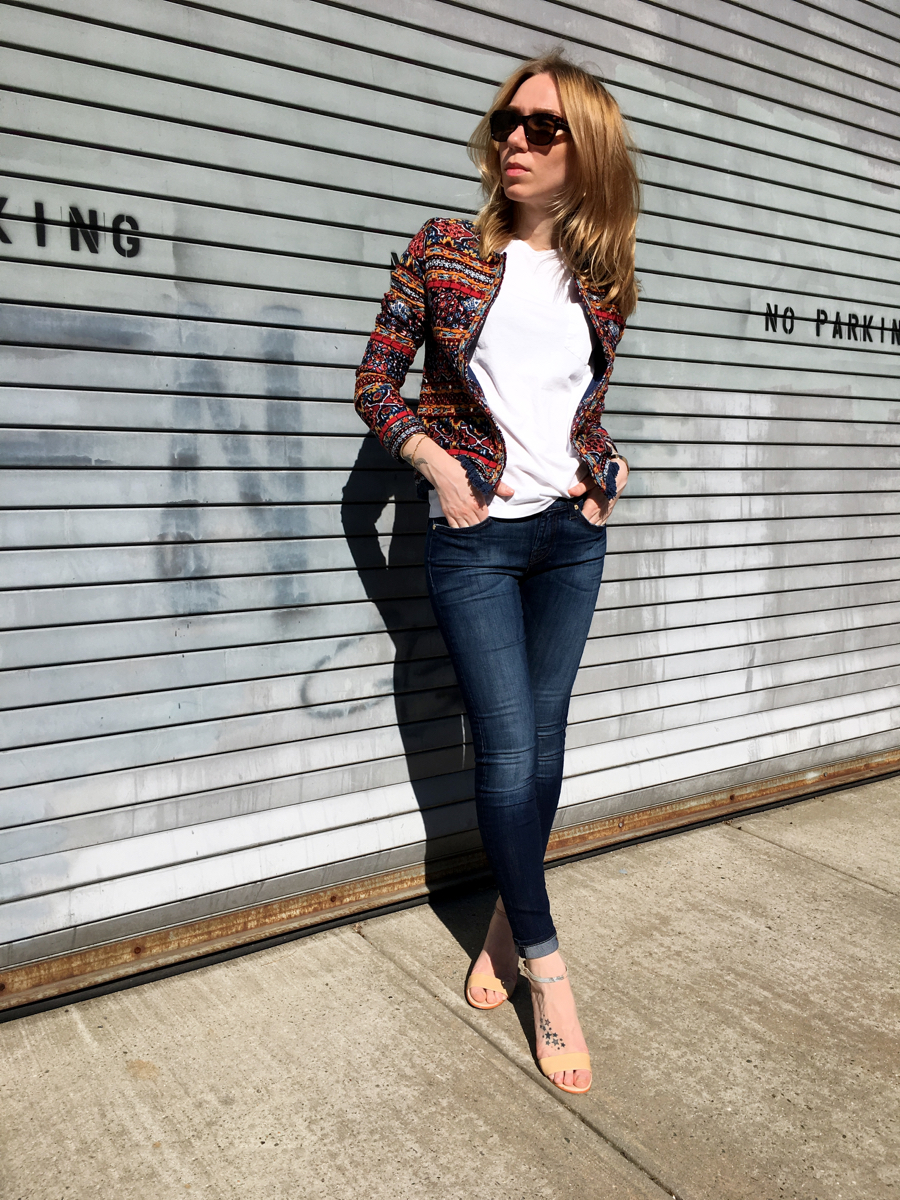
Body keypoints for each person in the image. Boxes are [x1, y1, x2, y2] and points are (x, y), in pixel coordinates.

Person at [354, 48, 639, 1095]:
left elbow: (575, 410)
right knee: (510, 754)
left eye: (542, 128)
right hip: (476, 541)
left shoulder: (603, 282)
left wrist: (610, 467)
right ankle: (550, 970)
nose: (514, 140)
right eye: (507, 123)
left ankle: (507, 932)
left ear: (585, 152)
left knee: (546, 746)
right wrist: (434, 464)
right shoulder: (442, 250)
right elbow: (376, 383)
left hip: (571, 538)